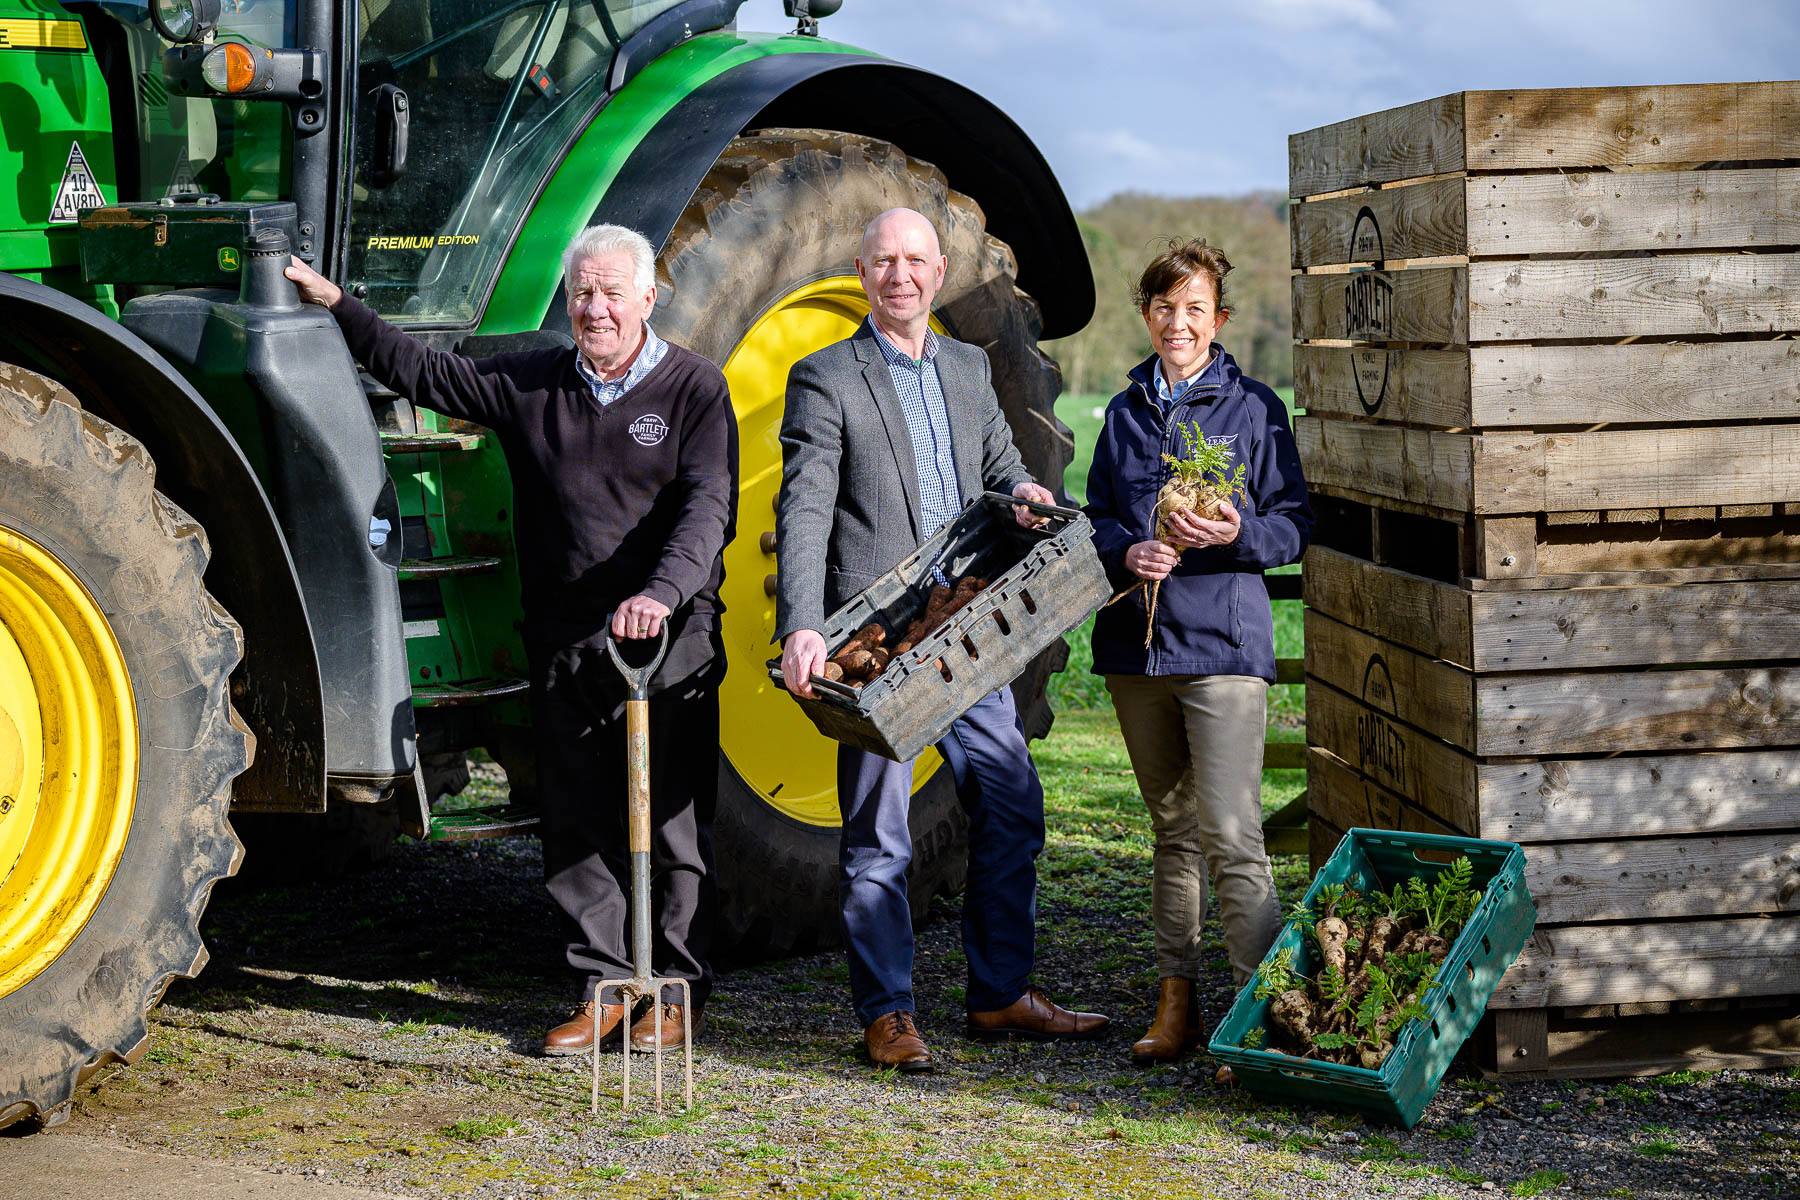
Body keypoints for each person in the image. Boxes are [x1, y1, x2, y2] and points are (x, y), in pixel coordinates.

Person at [285, 224, 737, 1057]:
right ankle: (603, 986)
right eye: (581, 294)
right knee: (573, 814)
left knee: (671, 824)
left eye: (609, 293)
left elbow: (709, 508)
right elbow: (426, 371)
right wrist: (339, 305)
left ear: (647, 298)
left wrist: (661, 594)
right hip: (568, 632)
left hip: (666, 636)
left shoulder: (694, 390)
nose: (594, 309)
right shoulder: (534, 380)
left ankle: (675, 990)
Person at [775, 206, 1110, 1073]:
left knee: (1011, 801)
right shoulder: (826, 376)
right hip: (881, 647)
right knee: (879, 837)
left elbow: (1001, 468)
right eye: (884, 261)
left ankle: (999, 994)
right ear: (862, 272)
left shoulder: (966, 367)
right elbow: (805, 505)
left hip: (964, 634)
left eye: (916, 260)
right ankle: (887, 1012)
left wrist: (1029, 498)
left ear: (936, 270)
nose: (901, 275)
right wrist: (803, 626)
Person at [1084, 238, 1312, 1064]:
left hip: (1221, 648)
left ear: (1218, 320)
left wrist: (1237, 532)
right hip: (1138, 655)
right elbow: (1099, 516)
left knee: (1229, 832)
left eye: (1194, 309)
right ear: (1146, 316)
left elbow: (1294, 524)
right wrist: (1125, 551)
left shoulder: (1254, 410)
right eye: (1163, 307)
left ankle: (1270, 1017)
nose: (1177, 322)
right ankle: (1174, 1003)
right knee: (1172, 831)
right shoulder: (1121, 413)